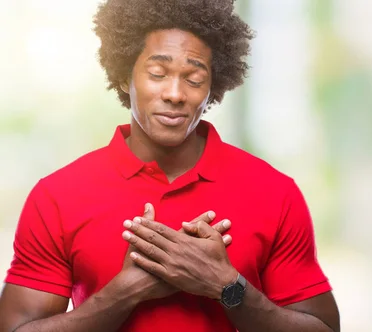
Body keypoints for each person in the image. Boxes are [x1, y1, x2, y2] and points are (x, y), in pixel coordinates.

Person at [0, 0, 340, 331]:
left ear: (212, 88)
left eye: (193, 79)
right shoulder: (58, 196)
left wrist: (226, 286)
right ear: (123, 77)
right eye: (157, 73)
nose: (175, 93)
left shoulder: (273, 192)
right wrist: (125, 292)